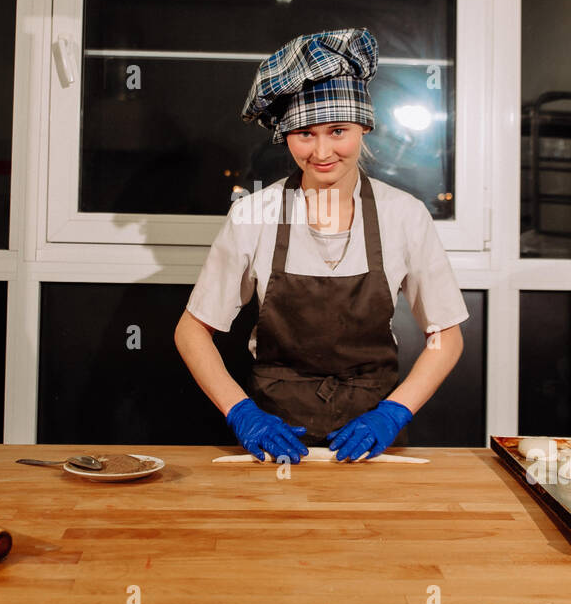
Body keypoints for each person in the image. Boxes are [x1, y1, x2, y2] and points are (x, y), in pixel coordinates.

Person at [174, 28, 467, 463]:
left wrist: (393, 413)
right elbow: (192, 331)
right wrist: (242, 413)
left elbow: (445, 334)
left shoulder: (402, 214)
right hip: (275, 440)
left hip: (371, 441)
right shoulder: (254, 213)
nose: (322, 150)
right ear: (285, 136)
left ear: (364, 126)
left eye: (337, 130)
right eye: (305, 133)